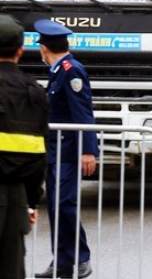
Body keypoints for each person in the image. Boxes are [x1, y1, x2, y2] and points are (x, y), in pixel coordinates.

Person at [33, 19, 96, 279]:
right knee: (58, 207)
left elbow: (83, 112)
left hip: (69, 150)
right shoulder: (59, 70)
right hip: (56, 150)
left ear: (44, 48)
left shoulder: (71, 70)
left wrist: (88, 150)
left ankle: (80, 259)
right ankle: (61, 261)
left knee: (64, 204)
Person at [0, 14, 49, 279]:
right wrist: (30, 202)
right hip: (16, 197)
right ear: (20, 50)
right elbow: (38, 155)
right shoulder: (33, 91)